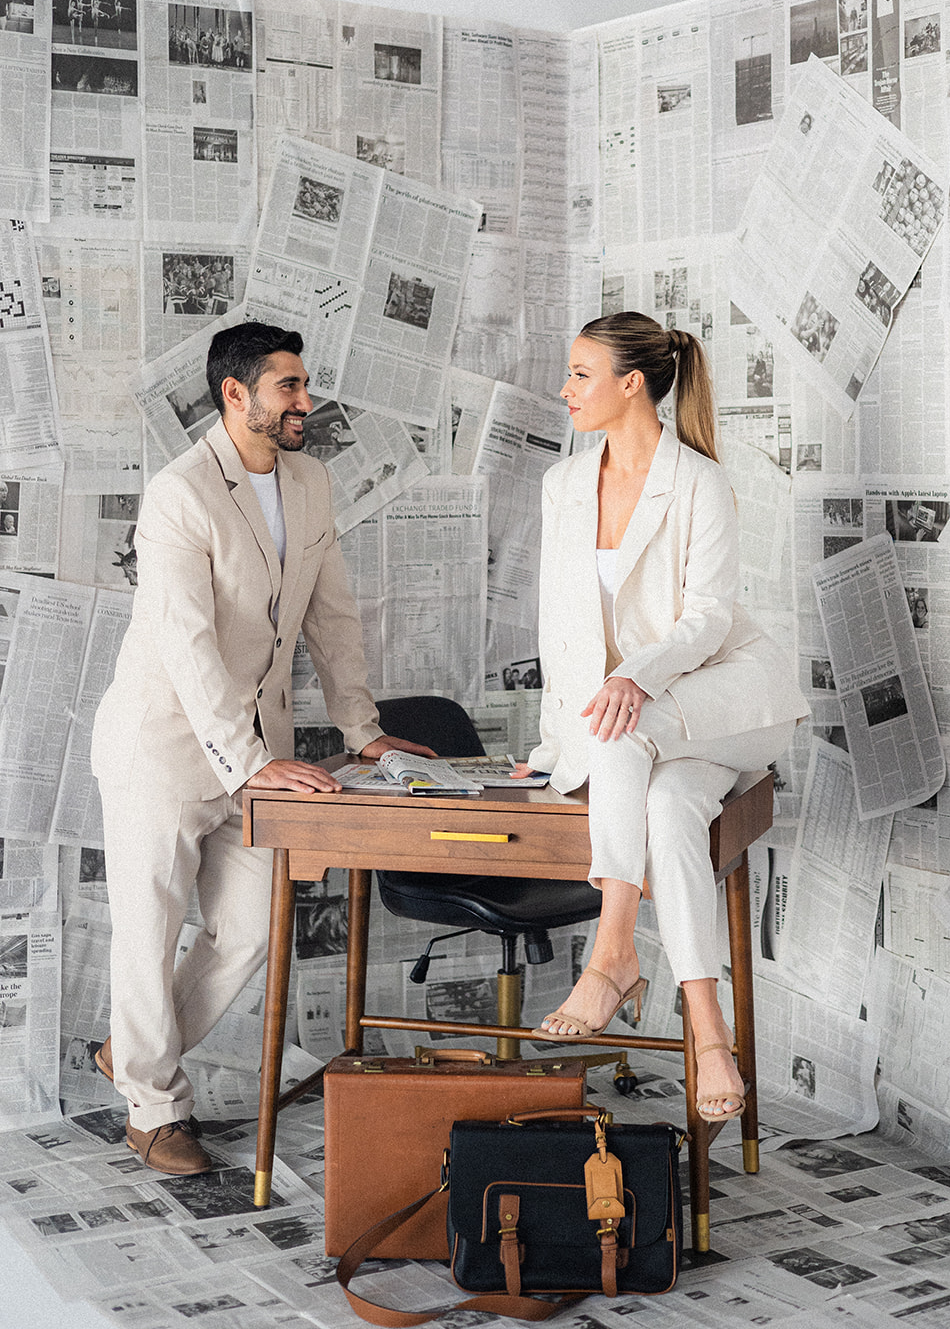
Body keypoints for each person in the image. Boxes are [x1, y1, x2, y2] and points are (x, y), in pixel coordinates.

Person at [90, 321, 433, 1175]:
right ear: (234, 395)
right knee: (148, 931)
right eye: (289, 387)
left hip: (257, 755)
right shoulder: (180, 494)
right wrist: (247, 764)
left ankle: (130, 1057)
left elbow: (332, 614)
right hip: (162, 752)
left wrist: (363, 729)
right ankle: (155, 1108)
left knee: (248, 932)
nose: (306, 404)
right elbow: (187, 645)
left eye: (303, 385)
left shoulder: (311, 481)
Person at [512, 313, 807, 1123]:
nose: (564, 389)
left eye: (579, 374)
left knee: (621, 730)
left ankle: (610, 955)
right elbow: (562, 632)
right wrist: (552, 744)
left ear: (630, 382)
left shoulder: (699, 482)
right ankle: (708, 1032)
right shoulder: (563, 484)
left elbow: (708, 619)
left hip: (729, 697)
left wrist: (633, 680)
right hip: (649, 729)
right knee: (670, 811)